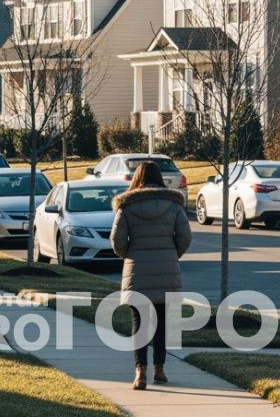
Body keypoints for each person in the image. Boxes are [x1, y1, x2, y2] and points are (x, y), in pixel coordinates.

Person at [111, 160, 191, 391]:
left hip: (137, 270)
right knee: (162, 322)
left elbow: (116, 241)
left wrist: (130, 255)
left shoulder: (127, 206)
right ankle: (160, 369)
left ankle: (140, 372)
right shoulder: (173, 204)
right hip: (166, 269)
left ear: (137, 179)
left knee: (139, 323)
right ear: (159, 178)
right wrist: (172, 253)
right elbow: (185, 237)